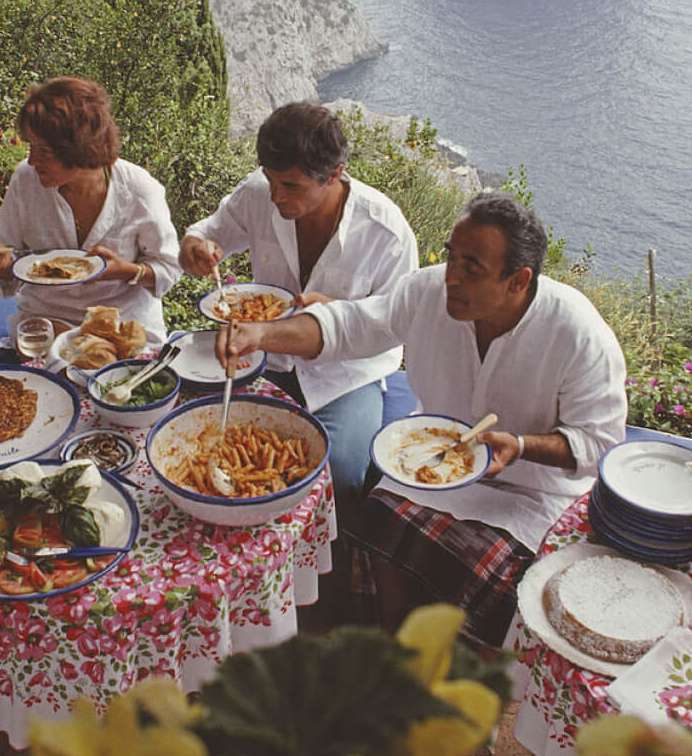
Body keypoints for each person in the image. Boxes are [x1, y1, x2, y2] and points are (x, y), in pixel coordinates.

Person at [217, 191, 626, 651]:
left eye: (473, 269)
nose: (452, 278)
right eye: (452, 258)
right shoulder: (427, 291)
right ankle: (397, 646)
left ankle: (463, 664)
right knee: (375, 520)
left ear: (518, 280)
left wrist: (521, 446)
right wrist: (260, 333)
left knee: (488, 573)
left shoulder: (577, 334)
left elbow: (601, 445)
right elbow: (349, 326)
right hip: (430, 463)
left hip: (531, 495)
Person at [180, 102, 418, 518]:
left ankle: (329, 570)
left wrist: (338, 313)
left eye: (291, 187)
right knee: (202, 440)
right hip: (263, 359)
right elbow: (207, 232)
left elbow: (394, 324)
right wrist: (196, 249)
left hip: (344, 375)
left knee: (340, 471)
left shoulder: (386, 231)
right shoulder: (258, 193)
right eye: (270, 180)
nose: (275, 196)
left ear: (335, 174)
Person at [0, 77, 181, 344]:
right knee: (54, 375)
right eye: (31, 147)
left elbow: (169, 268)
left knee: (111, 379)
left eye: (44, 151)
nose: (31, 160)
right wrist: (0, 264)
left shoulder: (140, 191)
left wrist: (126, 270)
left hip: (122, 325)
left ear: (80, 148)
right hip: (47, 320)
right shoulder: (26, 180)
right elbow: (9, 252)